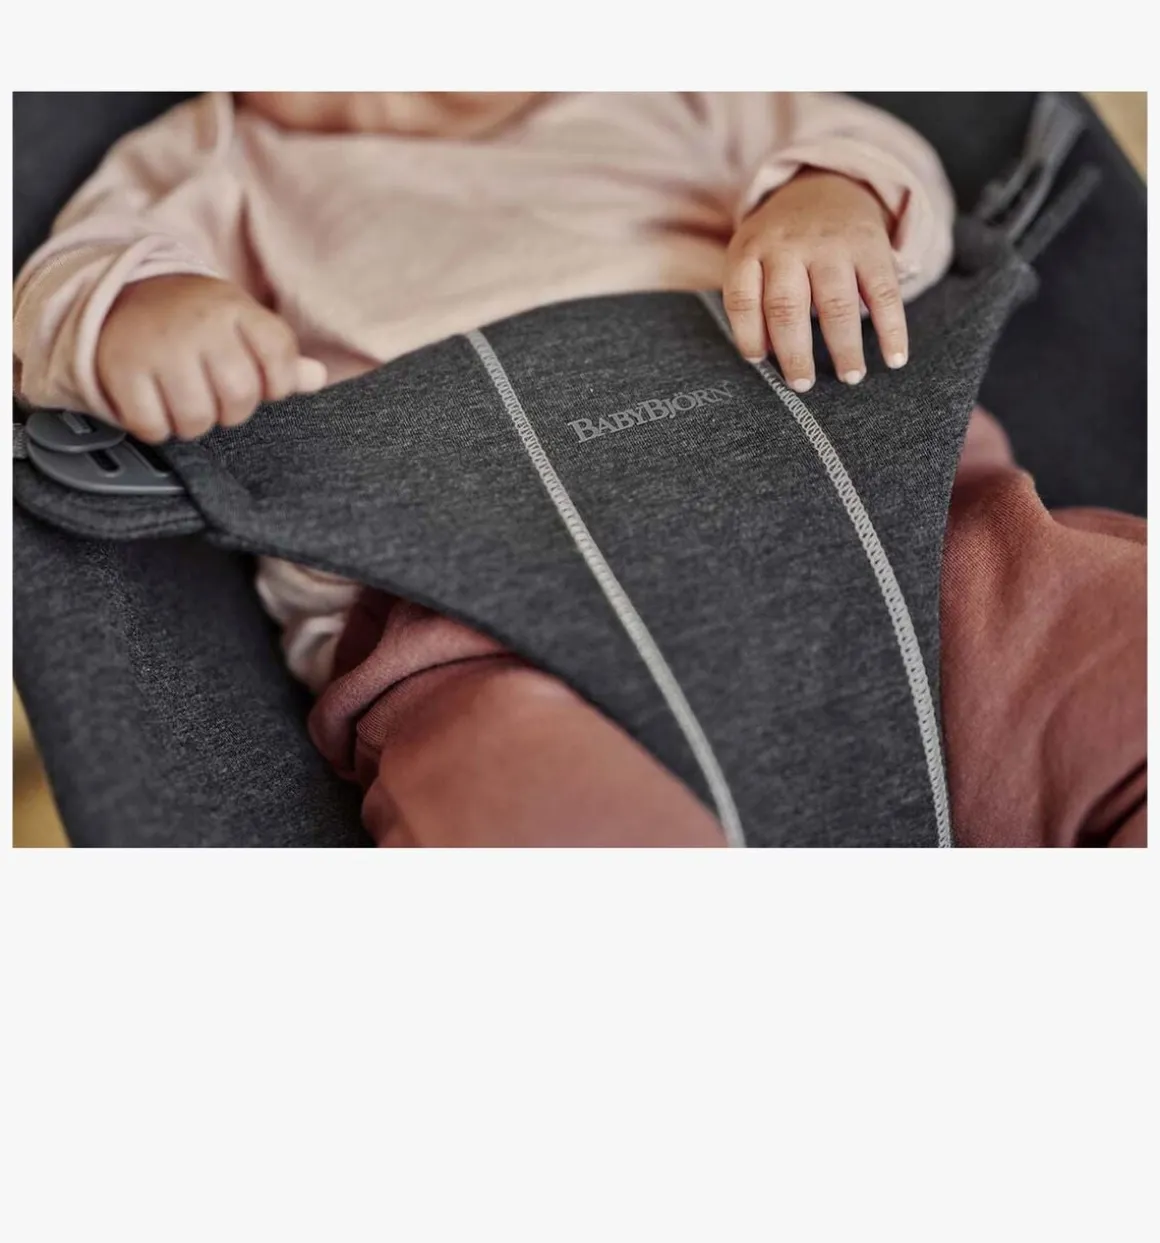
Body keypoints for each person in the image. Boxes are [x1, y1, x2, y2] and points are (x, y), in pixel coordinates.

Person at [12, 92, 1145, 846]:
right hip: (476, 621)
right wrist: (144, 312)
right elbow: (66, 282)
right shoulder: (210, 159)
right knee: (503, 780)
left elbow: (872, 148)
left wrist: (825, 200)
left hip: (896, 524)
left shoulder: (670, 87)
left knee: (1097, 638)